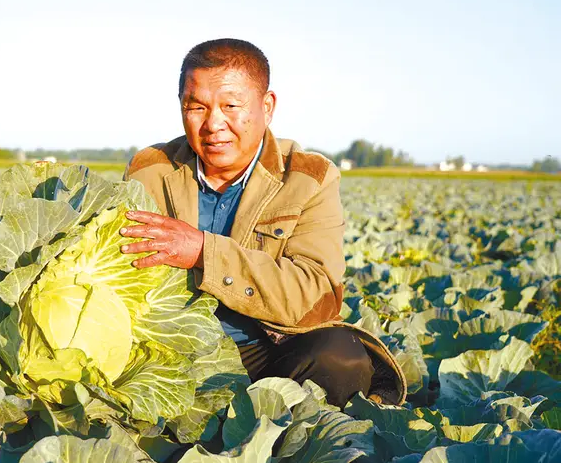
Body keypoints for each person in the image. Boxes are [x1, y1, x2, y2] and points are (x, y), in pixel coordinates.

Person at [121, 38, 406, 407]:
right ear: (181, 107)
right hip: (169, 351)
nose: (213, 124)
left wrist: (204, 252)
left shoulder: (309, 178)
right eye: (197, 107)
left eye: (231, 106)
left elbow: (316, 296)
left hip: (265, 351)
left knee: (340, 356)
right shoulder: (151, 171)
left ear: (267, 107)